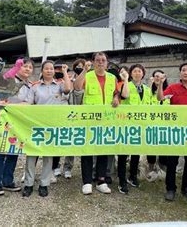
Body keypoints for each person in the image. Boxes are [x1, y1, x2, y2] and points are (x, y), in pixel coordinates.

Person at [74, 52, 126, 195]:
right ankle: (87, 182)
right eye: (97, 60)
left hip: (106, 119)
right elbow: (77, 87)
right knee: (87, 150)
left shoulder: (112, 77)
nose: (100, 62)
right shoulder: (88, 75)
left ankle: (101, 180)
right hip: (89, 119)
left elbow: (116, 92)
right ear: (93, 62)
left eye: (103, 60)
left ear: (107, 62)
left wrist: (116, 98)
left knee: (103, 150)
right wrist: (84, 70)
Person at [22, 60, 71, 197]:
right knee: (31, 155)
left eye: (51, 69)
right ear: (42, 71)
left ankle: (44, 184)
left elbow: (68, 89)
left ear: (54, 71)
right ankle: (28, 184)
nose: (49, 70)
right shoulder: (35, 87)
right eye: (46, 68)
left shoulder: (59, 85)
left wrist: (65, 72)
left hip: (52, 127)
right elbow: (28, 104)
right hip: (37, 126)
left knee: (48, 157)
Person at [156, 63, 187, 202]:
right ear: (180, 73)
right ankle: (170, 189)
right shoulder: (172, 88)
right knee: (172, 161)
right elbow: (160, 98)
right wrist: (160, 85)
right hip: (175, 130)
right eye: (183, 70)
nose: (186, 72)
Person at [0, 57, 34, 196]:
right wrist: (17, 106)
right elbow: (0, 101)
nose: (27, 69)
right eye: (24, 66)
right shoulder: (8, 80)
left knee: (13, 152)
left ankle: (8, 181)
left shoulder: (29, 86)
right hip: (2, 120)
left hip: (17, 123)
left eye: (30, 67)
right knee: (0, 152)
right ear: (18, 67)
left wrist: (12, 105)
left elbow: (29, 104)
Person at [118, 64, 151, 194]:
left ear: (143, 74)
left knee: (136, 153)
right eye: (135, 71)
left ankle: (132, 176)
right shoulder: (126, 85)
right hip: (126, 124)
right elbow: (125, 96)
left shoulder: (147, 89)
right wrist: (125, 79)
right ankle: (122, 181)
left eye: (140, 71)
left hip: (140, 125)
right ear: (131, 74)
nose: (137, 73)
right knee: (123, 153)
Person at [146, 70, 169, 182]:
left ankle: (162, 171)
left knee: (163, 148)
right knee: (151, 147)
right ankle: (151, 170)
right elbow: (146, 101)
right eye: (156, 76)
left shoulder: (168, 90)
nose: (158, 78)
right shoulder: (148, 90)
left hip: (164, 124)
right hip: (151, 124)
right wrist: (150, 85)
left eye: (160, 76)